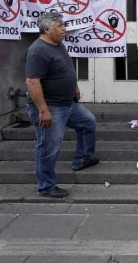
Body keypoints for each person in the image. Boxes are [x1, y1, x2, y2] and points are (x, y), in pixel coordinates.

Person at [26, 12, 98, 198]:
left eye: (63, 25)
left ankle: (82, 158)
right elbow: (32, 82)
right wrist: (43, 110)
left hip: (67, 103)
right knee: (49, 147)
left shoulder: (58, 44)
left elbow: (65, 67)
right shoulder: (38, 50)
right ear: (47, 29)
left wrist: (74, 86)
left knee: (88, 122)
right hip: (51, 107)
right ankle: (46, 186)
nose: (64, 28)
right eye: (60, 26)